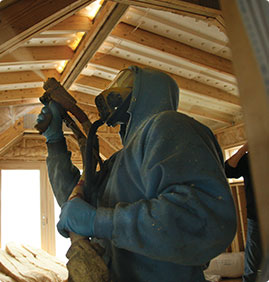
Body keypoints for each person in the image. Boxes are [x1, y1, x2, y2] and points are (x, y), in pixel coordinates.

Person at [37, 66, 237, 282]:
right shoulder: (119, 161)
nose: (113, 91)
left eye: (125, 82)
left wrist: (101, 222)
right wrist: (55, 142)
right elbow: (76, 203)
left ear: (149, 91)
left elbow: (204, 220)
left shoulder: (168, 126)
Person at [225, 143, 263, 282]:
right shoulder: (250, 159)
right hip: (257, 218)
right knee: (253, 265)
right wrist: (245, 148)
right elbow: (228, 170)